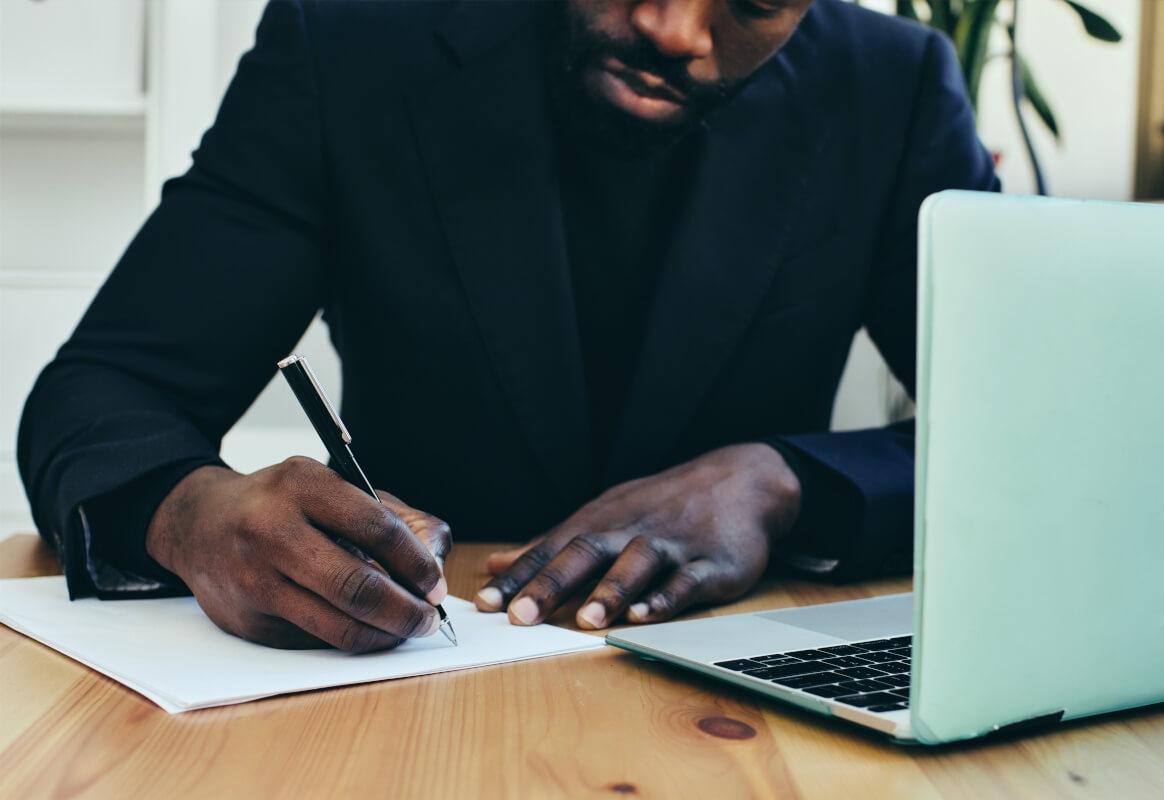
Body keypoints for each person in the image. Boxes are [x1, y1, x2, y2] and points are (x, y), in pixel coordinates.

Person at [18, 0, 998, 652]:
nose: (673, 28)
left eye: (750, 1)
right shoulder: (352, 40)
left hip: (756, 698)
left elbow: (1032, 431)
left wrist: (786, 482)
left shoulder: (892, 86)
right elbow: (101, 392)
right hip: (405, 692)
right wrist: (192, 513)